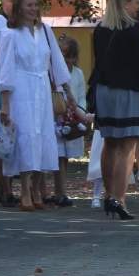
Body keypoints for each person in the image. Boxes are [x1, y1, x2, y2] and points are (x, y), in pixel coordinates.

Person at [0, 0, 73, 211]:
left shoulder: (45, 31)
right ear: (19, 7)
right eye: (29, 5)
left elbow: (56, 62)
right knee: (26, 136)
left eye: (36, 5)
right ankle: (25, 190)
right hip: (21, 89)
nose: (33, 9)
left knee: (42, 136)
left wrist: (67, 90)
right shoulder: (10, 34)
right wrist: (5, 102)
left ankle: (37, 189)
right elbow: (5, 69)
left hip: (41, 88)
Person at [90, 0, 139, 220]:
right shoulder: (135, 30)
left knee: (110, 144)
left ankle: (109, 195)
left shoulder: (100, 29)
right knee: (128, 147)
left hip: (103, 92)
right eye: (137, 2)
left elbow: (98, 63)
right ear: (125, 3)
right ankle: (119, 199)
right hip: (128, 92)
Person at [50, 35, 89, 207]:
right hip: (56, 119)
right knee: (58, 155)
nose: (69, 60)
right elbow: (53, 94)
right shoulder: (53, 72)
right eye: (66, 56)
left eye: (72, 56)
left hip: (72, 119)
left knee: (65, 157)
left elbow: (81, 96)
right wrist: (62, 106)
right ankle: (60, 192)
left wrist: (78, 112)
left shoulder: (78, 73)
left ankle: (61, 191)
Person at [0, 0, 18, 206]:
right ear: (3, 4)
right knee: (4, 136)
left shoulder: (28, 27)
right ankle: (4, 188)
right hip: (1, 87)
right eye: (12, 0)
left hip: (23, 86)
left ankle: (6, 188)